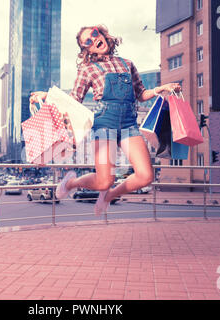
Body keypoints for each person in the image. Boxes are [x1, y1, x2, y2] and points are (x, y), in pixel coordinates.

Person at [29, 24, 180, 215]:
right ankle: (71, 182)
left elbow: (140, 94)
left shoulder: (127, 63)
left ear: (102, 34)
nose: (94, 40)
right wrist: (47, 96)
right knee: (104, 181)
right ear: (87, 50)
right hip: (104, 125)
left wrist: (160, 88)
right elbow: (74, 100)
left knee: (146, 176)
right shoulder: (88, 70)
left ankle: (109, 196)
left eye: (94, 34)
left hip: (129, 125)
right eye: (88, 42)